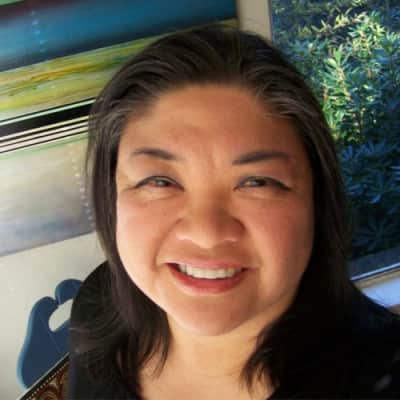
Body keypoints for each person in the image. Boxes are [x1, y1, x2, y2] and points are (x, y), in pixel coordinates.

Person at [66, 24, 400, 399]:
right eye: (160, 181)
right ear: (111, 193)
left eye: (257, 182)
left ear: (316, 200)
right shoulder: (99, 301)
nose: (207, 233)